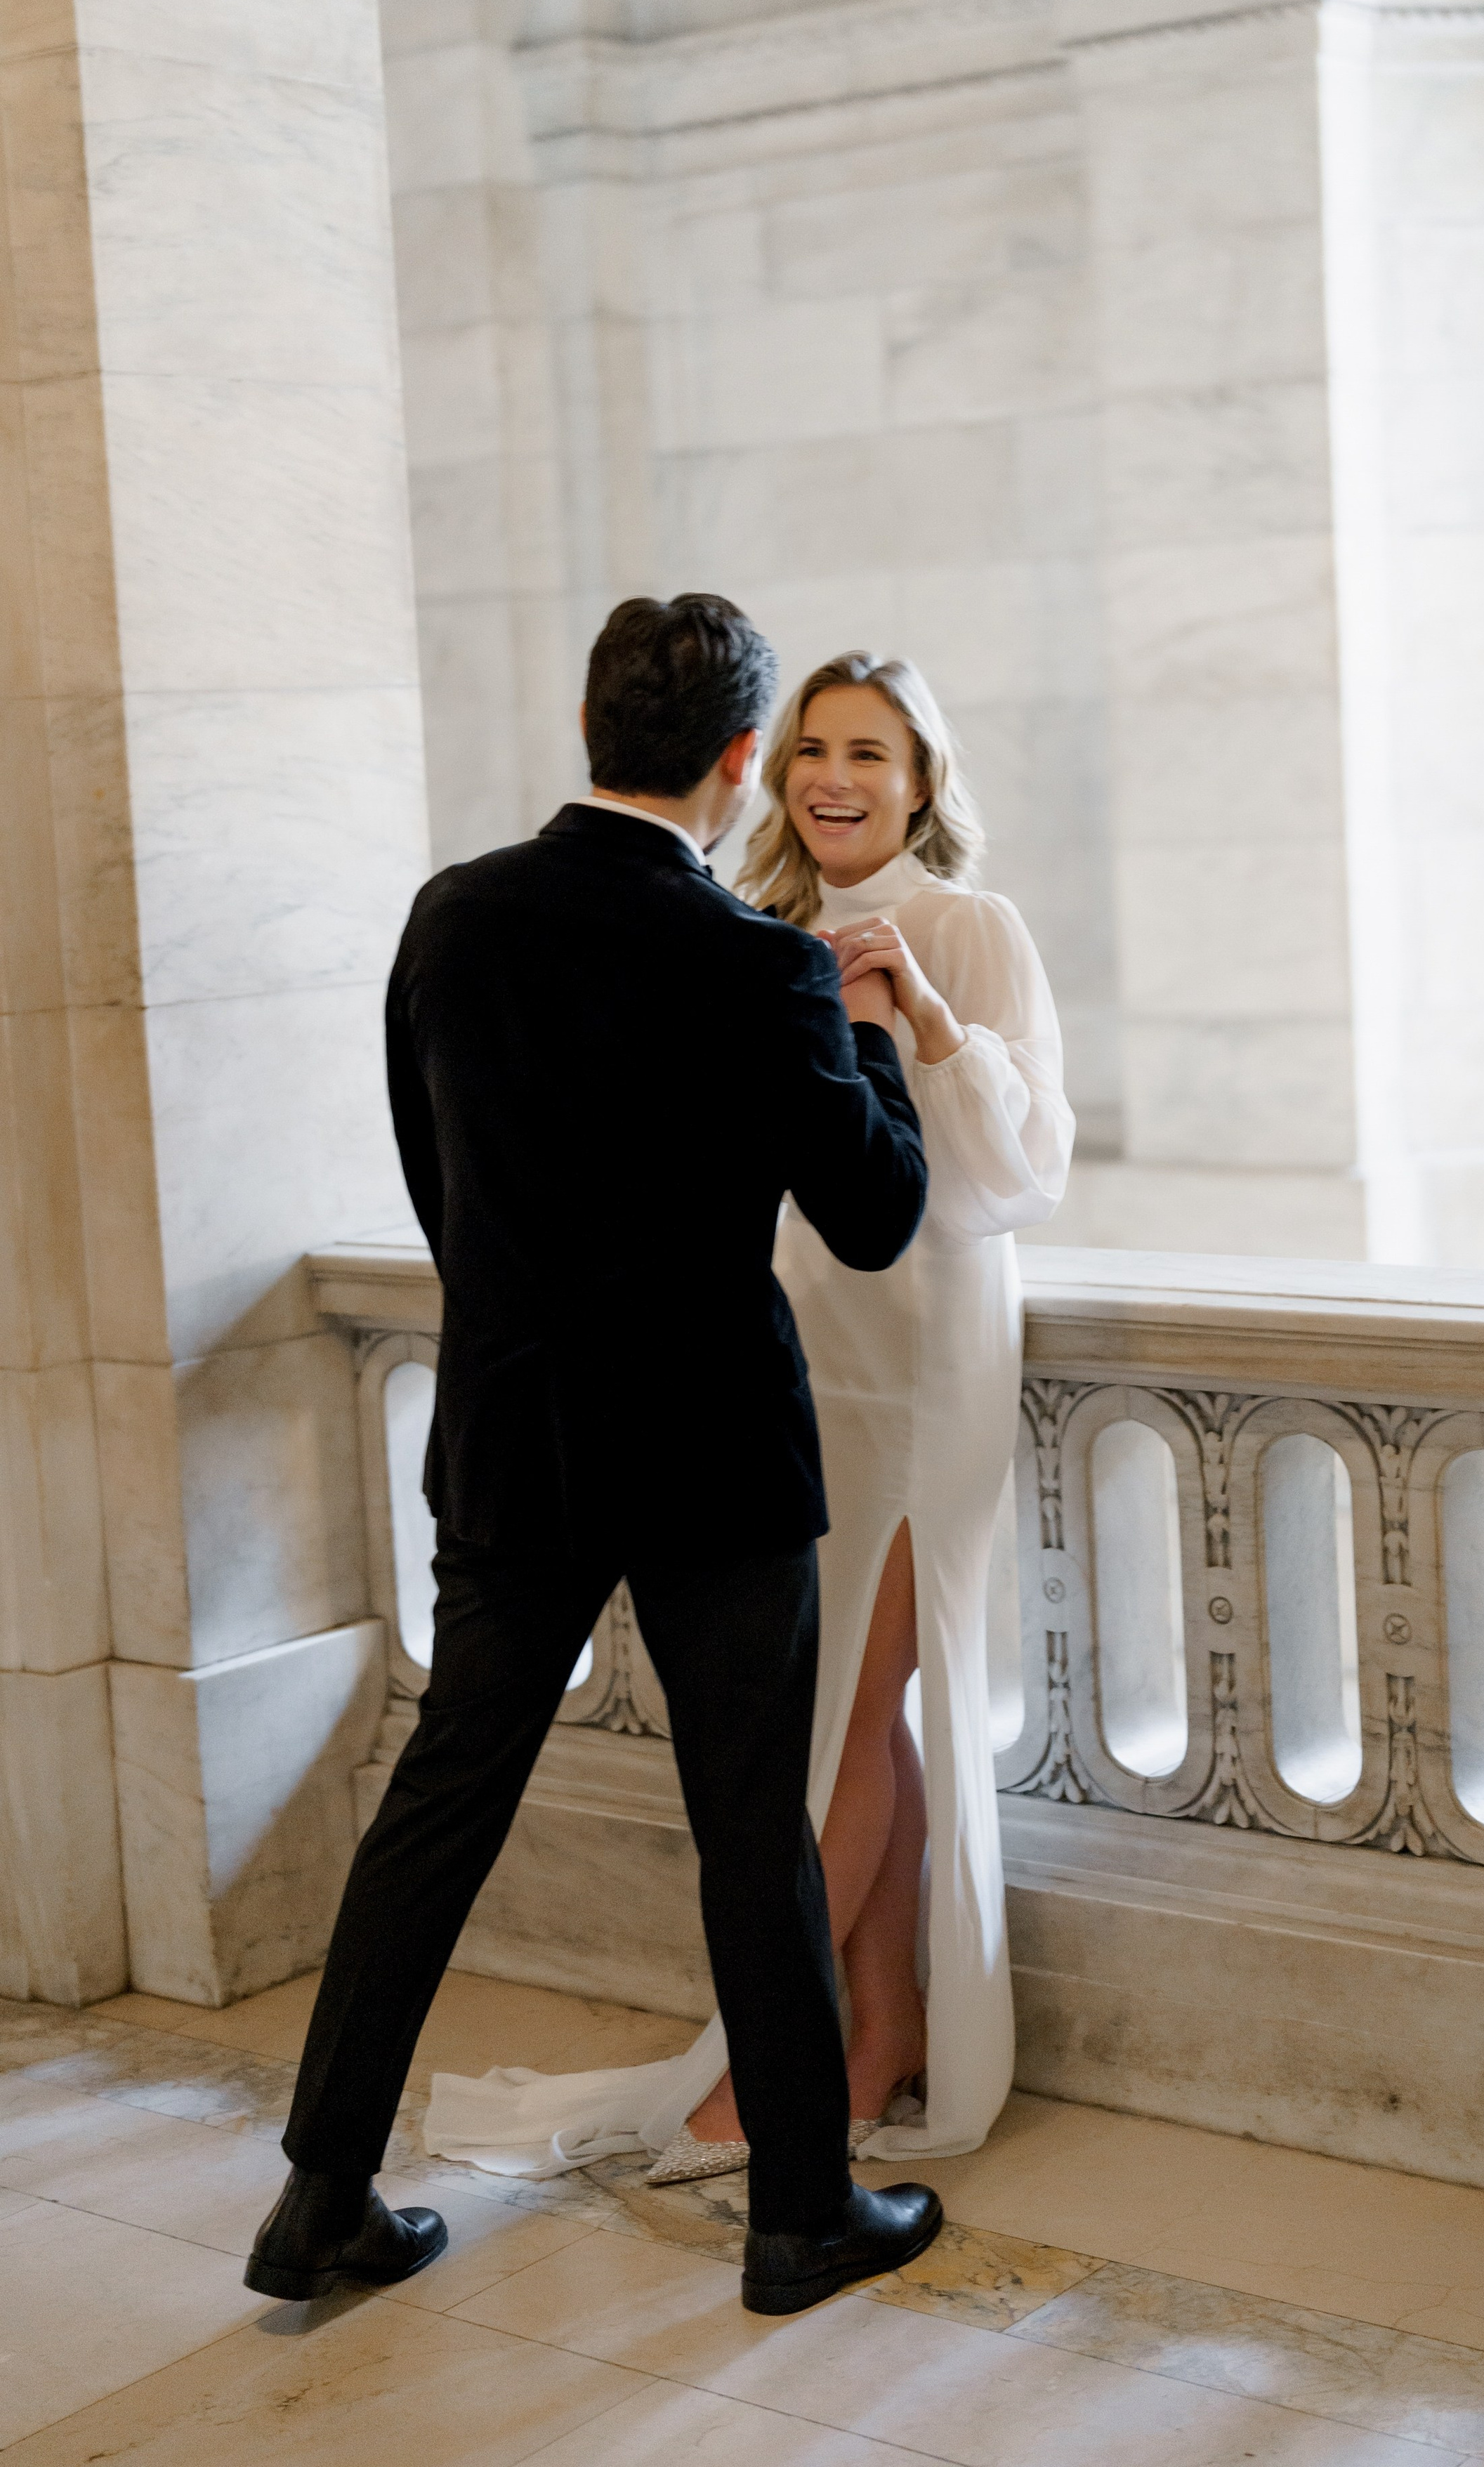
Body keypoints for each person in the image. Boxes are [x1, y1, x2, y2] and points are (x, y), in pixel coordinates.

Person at [244, 596, 943, 2318]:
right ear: (735, 761)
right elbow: (872, 1216)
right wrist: (862, 1039)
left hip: (513, 1433)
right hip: (712, 1457)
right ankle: (799, 2215)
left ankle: (320, 2196)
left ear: (584, 722)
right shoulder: (762, 962)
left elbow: (438, 1177)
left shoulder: (453, 918)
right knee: (746, 1835)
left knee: (437, 1808)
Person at [423, 649, 1073, 2186]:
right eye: (808, 752)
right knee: (855, 1711)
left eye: (869, 752)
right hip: (792, 1358)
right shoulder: (749, 929)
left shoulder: (966, 925)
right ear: (760, 771)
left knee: (848, 1717)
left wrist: (918, 1012)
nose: (833, 778)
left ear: (921, 781)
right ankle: (871, 2036)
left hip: (923, 1357)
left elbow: (1021, 1170)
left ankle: (755, 2086)